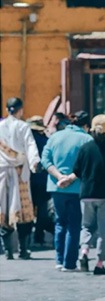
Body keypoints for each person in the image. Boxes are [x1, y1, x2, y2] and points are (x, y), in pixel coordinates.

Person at [64, 115, 105, 275]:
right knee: (104, 230)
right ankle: (99, 263)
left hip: (87, 193)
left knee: (86, 226)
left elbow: (77, 170)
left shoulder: (85, 148)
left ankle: (84, 252)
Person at [42, 110, 93, 271]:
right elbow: (87, 164)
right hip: (77, 187)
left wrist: (58, 176)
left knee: (60, 222)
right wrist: (70, 178)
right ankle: (69, 263)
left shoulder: (55, 137)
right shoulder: (87, 139)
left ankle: (58, 260)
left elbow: (45, 160)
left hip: (56, 187)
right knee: (74, 224)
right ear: (85, 125)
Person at [0, 97, 40, 260]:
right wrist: (34, 162)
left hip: (2, 171)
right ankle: (23, 249)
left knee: (3, 208)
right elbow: (30, 145)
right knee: (23, 212)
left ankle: (8, 249)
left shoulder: (0, 126)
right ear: (20, 109)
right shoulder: (23, 126)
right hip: (19, 172)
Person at [26, 116, 54, 247]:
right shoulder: (46, 141)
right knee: (42, 209)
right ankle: (38, 235)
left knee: (29, 209)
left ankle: (26, 237)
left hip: (28, 179)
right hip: (43, 179)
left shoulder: (26, 142)